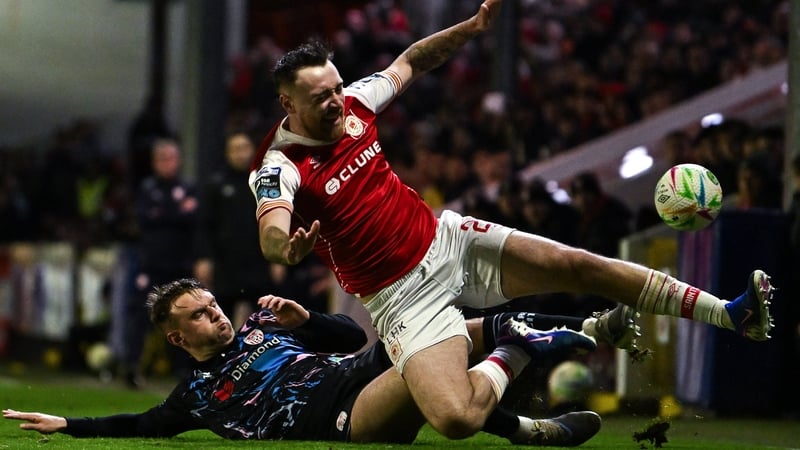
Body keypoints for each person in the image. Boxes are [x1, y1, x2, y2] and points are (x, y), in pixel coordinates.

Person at [248, 0, 775, 440]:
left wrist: (472, 28)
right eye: (321, 98)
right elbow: (272, 227)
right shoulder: (281, 165)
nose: (337, 102)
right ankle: (517, 347)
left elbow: (411, 60)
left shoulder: (356, 103)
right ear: (287, 102)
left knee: (579, 265)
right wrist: (284, 248)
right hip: (399, 298)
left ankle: (731, 313)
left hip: (446, 240)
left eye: (338, 87)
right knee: (455, 418)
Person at [4, 278, 604, 446]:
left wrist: (306, 320)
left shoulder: (264, 322)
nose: (214, 315)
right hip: (345, 417)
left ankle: (577, 330)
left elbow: (348, 338)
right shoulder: (196, 398)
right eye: (197, 315)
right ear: (175, 337)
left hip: (358, 369)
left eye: (212, 306)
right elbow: (138, 426)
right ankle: (520, 349)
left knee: (444, 336)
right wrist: (67, 424)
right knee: (443, 401)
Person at [125, 138, 199, 386]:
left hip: (179, 265)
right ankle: (132, 367)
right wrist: (177, 211)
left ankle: (182, 371)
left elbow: (192, 219)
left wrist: (167, 213)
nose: (168, 163)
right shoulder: (147, 188)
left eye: (172, 158)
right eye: (162, 158)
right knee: (141, 314)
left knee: (182, 316)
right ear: (155, 162)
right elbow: (147, 219)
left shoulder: (188, 187)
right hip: (151, 264)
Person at [193, 131, 287, 327]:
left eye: (244, 148)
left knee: (266, 321)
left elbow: (275, 220)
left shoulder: (264, 182)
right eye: (235, 150)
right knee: (220, 321)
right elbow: (204, 225)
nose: (240, 154)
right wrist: (204, 258)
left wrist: (278, 258)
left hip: (258, 264)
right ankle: (226, 357)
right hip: (226, 265)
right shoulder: (216, 185)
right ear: (227, 153)